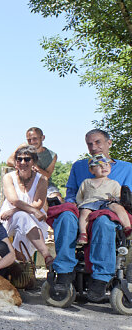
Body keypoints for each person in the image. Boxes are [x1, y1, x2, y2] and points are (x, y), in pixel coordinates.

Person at [51, 129, 132, 302]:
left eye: (98, 142)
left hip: (108, 213)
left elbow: (127, 199)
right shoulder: (80, 166)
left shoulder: (127, 168)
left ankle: (101, 278)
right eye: (89, 143)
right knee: (65, 216)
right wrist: (73, 203)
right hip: (84, 209)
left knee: (103, 221)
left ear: (109, 143)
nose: (93, 147)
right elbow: (72, 193)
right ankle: (64, 272)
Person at [75, 154, 129, 245]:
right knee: (84, 212)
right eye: (99, 165)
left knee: (118, 207)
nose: (104, 167)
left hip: (107, 202)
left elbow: (118, 196)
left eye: (107, 164)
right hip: (90, 203)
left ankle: (127, 227)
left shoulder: (114, 183)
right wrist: (81, 204)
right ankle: (83, 233)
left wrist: (115, 199)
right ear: (91, 170)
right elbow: (79, 196)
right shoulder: (87, 182)